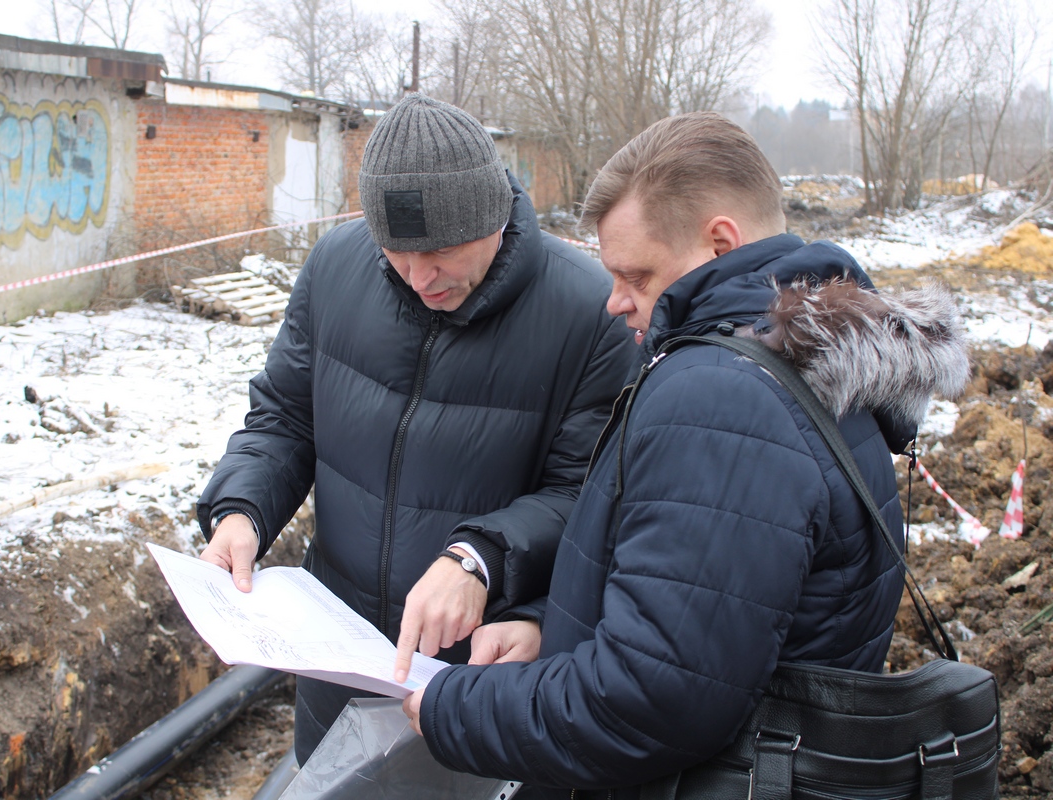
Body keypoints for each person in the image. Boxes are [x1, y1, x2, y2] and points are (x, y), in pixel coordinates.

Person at [402, 112, 970, 798]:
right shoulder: (815, 363)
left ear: (719, 242)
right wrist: (549, 626)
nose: (615, 302)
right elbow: (722, 606)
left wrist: (454, 707)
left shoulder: (723, 400)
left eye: (635, 275)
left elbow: (650, 700)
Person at [196, 93, 634, 764]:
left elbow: (589, 493)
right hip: (335, 655)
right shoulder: (335, 269)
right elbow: (284, 416)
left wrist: (479, 559)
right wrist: (243, 509)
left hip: (477, 678)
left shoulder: (590, 313)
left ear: (493, 216)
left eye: (442, 253)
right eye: (398, 253)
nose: (420, 277)